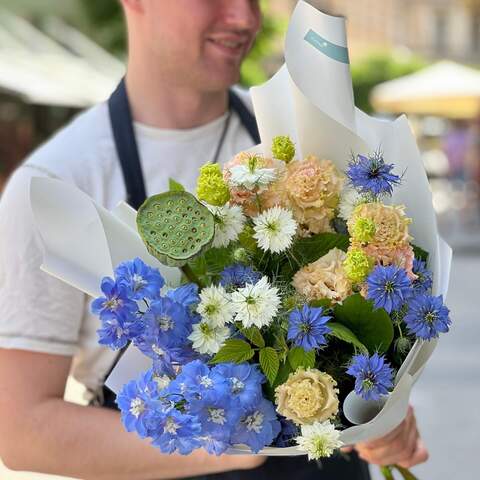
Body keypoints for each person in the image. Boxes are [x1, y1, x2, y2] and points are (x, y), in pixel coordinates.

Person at [0, 1, 428, 479]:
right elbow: (23, 429)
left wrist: (378, 420)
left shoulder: (299, 135)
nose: (243, 18)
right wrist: (230, 437)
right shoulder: (57, 186)